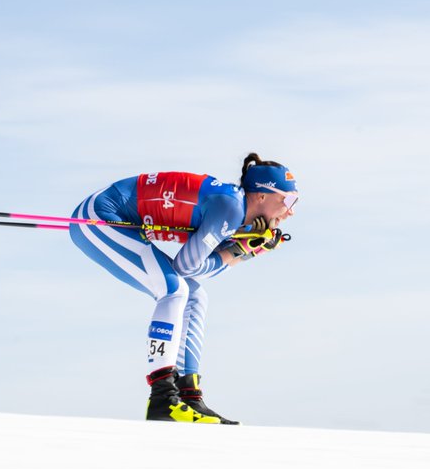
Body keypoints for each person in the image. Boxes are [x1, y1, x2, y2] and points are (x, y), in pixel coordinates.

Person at [69, 152, 298, 424]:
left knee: (194, 295)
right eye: (288, 200)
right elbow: (187, 265)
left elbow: (198, 266)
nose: (291, 211)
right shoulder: (231, 207)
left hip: (116, 216)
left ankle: (188, 395)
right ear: (261, 196)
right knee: (174, 290)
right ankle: (163, 398)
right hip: (98, 215)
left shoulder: (235, 214)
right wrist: (239, 252)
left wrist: (243, 250)